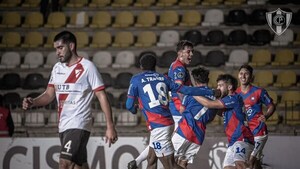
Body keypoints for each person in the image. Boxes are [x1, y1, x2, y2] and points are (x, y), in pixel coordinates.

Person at [22, 31, 118, 169]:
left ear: (71, 46)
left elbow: (102, 96)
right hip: (64, 125)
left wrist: (110, 126)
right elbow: (49, 95)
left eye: (60, 48)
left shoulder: (88, 67)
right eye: (56, 49)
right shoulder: (57, 68)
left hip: (79, 123)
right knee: (79, 165)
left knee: (64, 163)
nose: (57, 52)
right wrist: (34, 102)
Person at [126, 54, 216, 169]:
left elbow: (129, 105)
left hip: (158, 126)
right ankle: (137, 161)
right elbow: (186, 89)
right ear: (155, 66)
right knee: (151, 159)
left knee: (170, 166)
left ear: (141, 66)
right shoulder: (164, 78)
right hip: (168, 122)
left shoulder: (136, 79)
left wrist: (134, 110)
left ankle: (136, 162)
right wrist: (210, 92)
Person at [128, 40, 195, 169]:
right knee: (172, 163)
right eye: (188, 51)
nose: (191, 54)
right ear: (180, 53)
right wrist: (184, 106)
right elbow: (180, 88)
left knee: (153, 158)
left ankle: (135, 162)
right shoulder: (179, 68)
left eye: (192, 51)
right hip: (176, 114)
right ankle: (136, 162)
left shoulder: (175, 66)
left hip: (163, 118)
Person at [193, 74, 254, 169]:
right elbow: (218, 111)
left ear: (229, 87)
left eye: (220, 85)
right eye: (217, 85)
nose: (218, 88)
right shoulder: (228, 101)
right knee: (228, 167)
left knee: (240, 164)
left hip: (242, 138)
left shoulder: (233, 98)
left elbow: (209, 104)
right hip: (233, 141)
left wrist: (192, 92)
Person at [172, 67, 218, 169]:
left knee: (169, 161)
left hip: (185, 130)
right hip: (199, 134)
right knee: (183, 163)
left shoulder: (191, 93)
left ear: (195, 81)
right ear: (208, 79)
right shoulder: (215, 96)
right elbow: (211, 117)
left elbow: (181, 111)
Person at [236, 64, 276, 169]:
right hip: (245, 134)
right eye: (241, 73)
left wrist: (266, 116)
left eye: (246, 74)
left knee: (249, 162)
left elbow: (271, 106)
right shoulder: (235, 93)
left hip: (259, 131)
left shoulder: (259, 91)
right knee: (255, 163)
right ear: (238, 76)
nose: (243, 76)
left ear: (251, 77)